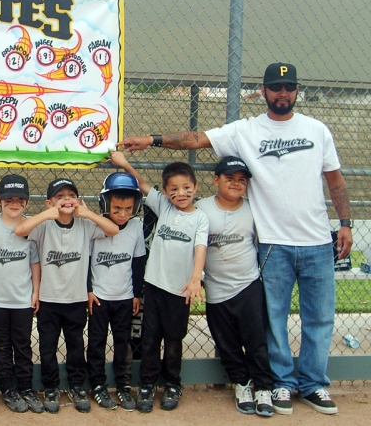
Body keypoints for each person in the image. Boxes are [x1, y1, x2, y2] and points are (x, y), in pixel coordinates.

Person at [118, 62, 353, 415]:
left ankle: (314, 384)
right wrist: (151, 140)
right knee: (272, 320)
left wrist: (345, 222)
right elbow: (195, 140)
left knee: (319, 317)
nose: (283, 93)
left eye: (289, 86)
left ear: (297, 90)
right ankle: (282, 384)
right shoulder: (246, 130)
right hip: (273, 242)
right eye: (276, 87)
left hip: (317, 239)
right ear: (264, 91)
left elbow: (334, 180)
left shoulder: (317, 130)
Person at [111, 151, 208, 413]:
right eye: (174, 189)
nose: (181, 193)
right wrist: (124, 164)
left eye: (187, 188)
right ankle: (147, 384)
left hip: (179, 290)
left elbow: (200, 247)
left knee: (174, 340)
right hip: (154, 286)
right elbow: (141, 183)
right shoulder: (164, 206)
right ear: (165, 192)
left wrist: (196, 277)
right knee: (150, 338)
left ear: (195, 188)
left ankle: (173, 383)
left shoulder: (200, 218)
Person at [14, 178, 119, 414]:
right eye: (60, 197)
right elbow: (20, 230)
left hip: (76, 299)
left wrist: (89, 213)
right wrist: (46, 214)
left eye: (71, 196)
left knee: (75, 345)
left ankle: (76, 385)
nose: (66, 200)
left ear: (78, 200)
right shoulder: (44, 225)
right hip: (48, 299)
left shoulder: (84, 224)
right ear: (50, 202)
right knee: (48, 346)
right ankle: (50, 386)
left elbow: (113, 230)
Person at [195, 156, 274, 417]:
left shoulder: (253, 209)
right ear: (216, 180)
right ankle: (242, 384)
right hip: (216, 289)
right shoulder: (202, 208)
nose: (236, 184)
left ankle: (263, 387)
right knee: (226, 342)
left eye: (242, 180)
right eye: (229, 178)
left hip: (247, 284)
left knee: (255, 340)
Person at [0, 175, 44, 414]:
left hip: (22, 299)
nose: (14, 203)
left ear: (27, 203)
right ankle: (8, 388)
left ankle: (26, 387)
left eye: (20, 200)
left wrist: (36, 292)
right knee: (2, 345)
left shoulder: (32, 227)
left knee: (23, 344)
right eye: (8, 199)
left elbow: (34, 263)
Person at [86, 172, 146, 411]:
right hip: (99, 298)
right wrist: (88, 290)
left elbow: (138, 263)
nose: (123, 214)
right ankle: (98, 385)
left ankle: (123, 385)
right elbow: (85, 261)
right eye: (117, 208)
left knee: (123, 342)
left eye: (128, 209)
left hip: (124, 297)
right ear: (104, 204)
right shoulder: (94, 226)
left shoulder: (135, 228)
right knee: (96, 342)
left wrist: (136, 294)